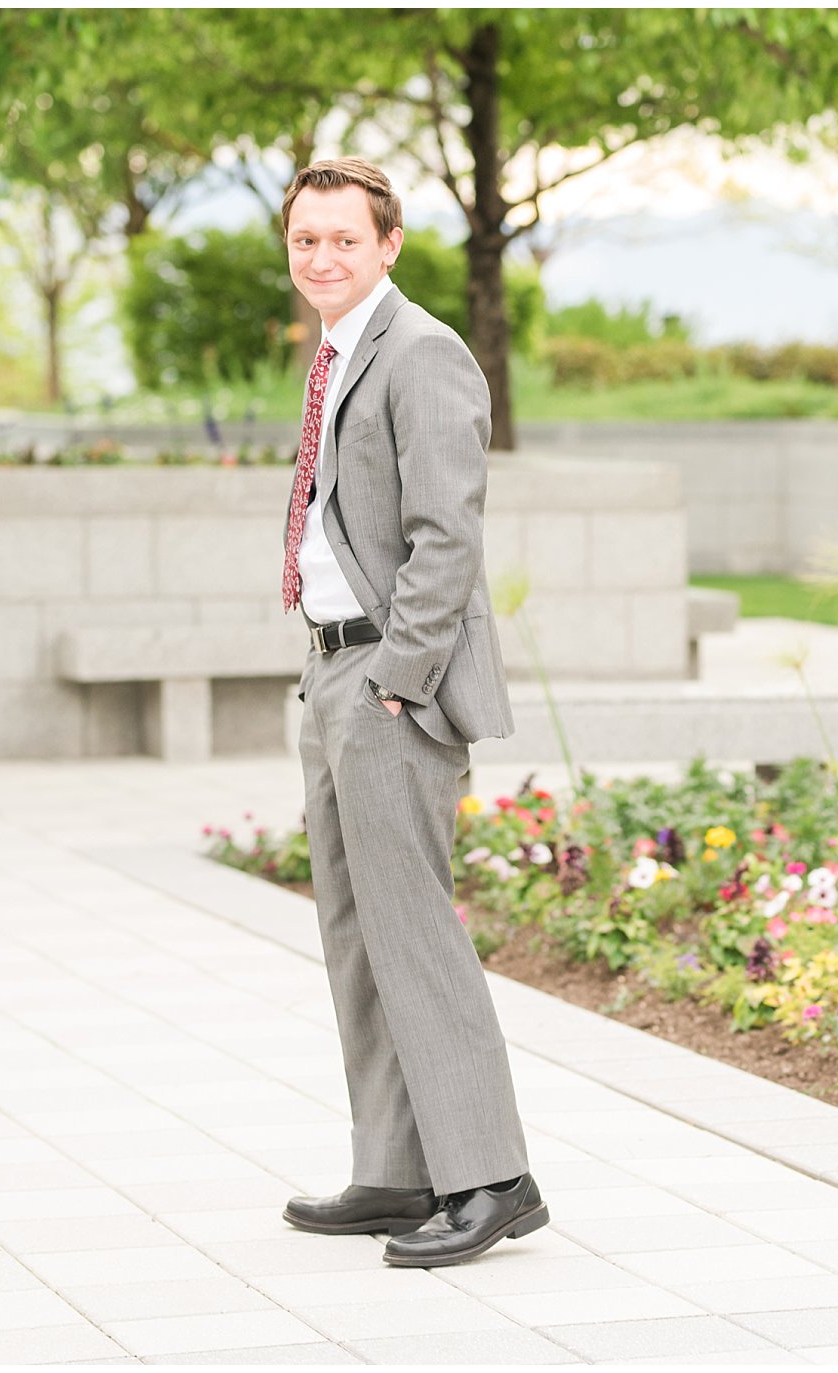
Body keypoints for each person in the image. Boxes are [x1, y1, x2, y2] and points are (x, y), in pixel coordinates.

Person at [273, 156, 545, 1268]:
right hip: (328, 670)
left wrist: (397, 677)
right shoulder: (339, 351)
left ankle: (491, 1176)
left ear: (387, 244)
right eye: (304, 241)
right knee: (354, 931)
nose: (322, 258)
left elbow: (448, 534)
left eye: (343, 238)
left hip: (391, 682)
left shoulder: (422, 351)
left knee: (414, 931)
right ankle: (395, 1167)